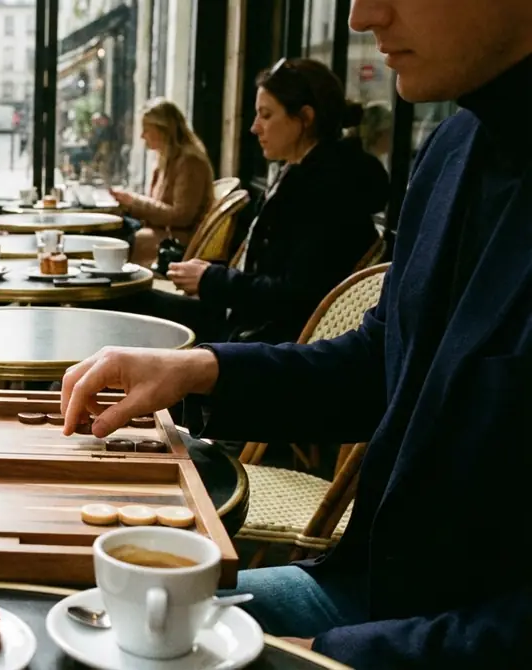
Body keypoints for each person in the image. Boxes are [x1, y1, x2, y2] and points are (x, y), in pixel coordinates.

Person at [58, 0, 532, 666]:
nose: (362, 17)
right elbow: (379, 365)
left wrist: (326, 654)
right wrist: (199, 372)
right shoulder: (454, 145)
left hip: (434, 636)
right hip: (375, 592)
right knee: (80, 614)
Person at [136, 60, 388, 345]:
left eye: (266, 115)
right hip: (241, 322)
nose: (255, 127)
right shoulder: (299, 174)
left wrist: (212, 280)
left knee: (131, 304)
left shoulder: (328, 194)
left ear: (305, 118)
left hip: (260, 345)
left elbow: (293, 297)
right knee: (132, 298)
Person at [109, 99, 215, 266]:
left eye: (146, 130)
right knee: (111, 227)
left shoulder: (189, 162)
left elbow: (182, 216)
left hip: (176, 240)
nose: (142, 136)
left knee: (114, 240)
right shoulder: (166, 159)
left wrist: (134, 202)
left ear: (164, 130)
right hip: (163, 229)